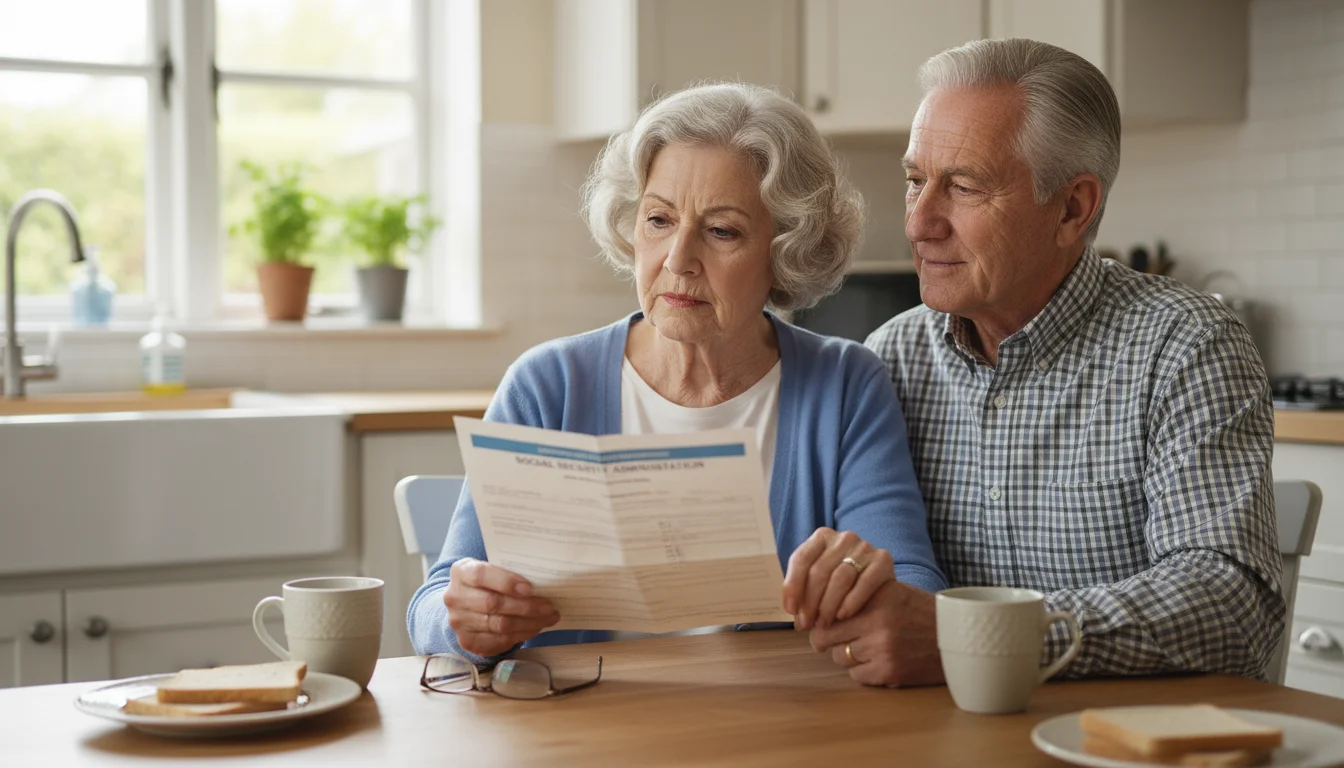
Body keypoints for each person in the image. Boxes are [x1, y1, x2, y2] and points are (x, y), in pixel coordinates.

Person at [408, 83, 947, 662]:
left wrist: (862, 587)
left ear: (787, 248)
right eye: (659, 219)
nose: (677, 258)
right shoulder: (548, 385)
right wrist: (467, 619)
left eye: (722, 231)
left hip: (775, 735)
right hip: (579, 735)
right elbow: (434, 604)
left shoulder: (846, 385)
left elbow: (914, 587)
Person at [809, 38, 1284, 686]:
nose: (920, 223)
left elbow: (1231, 607)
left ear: (1072, 208)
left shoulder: (1186, 347)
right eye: (915, 181)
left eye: (964, 186)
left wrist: (977, 640)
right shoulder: (889, 361)